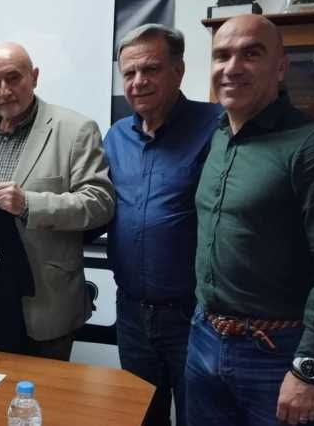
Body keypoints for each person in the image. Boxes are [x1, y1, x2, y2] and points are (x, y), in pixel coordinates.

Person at [186, 14, 314, 426]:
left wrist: (309, 368)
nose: (232, 68)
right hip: (204, 338)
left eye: (251, 54)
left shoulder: (313, 145)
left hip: (275, 354)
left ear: (280, 67)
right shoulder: (218, 136)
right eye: (222, 56)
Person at [0, 42, 114, 361]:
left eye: (13, 77)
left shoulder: (76, 130)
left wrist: (28, 204)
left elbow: (99, 203)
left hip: (44, 300)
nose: (4, 90)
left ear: (35, 76)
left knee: (40, 392)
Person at [104, 24, 222, 426]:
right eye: (129, 73)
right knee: (143, 417)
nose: (138, 81)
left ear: (178, 71)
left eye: (151, 69)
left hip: (194, 316)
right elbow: (98, 207)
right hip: (132, 313)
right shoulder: (116, 136)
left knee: (197, 417)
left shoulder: (216, 126)